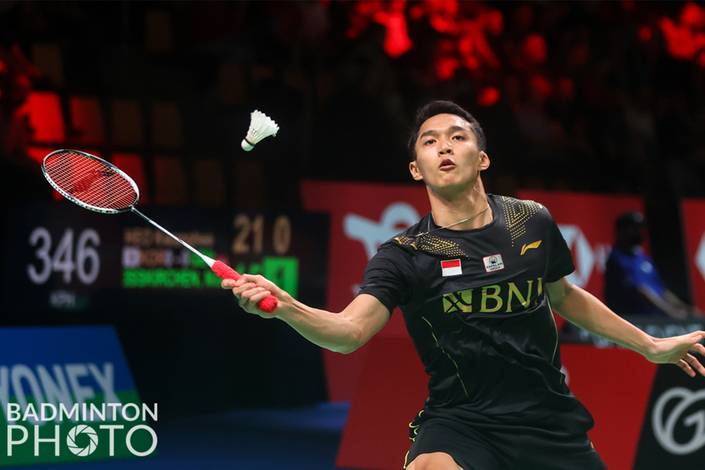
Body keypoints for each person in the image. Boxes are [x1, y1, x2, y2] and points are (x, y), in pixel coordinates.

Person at [221, 100, 705, 470]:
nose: (445, 146)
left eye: (457, 137)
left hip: (548, 419)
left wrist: (648, 345)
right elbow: (349, 332)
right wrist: (286, 306)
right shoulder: (405, 255)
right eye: (430, 141)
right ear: (417, 169)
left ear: (482, 158)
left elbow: (563, 296)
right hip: (461, 420)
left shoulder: (529, 222)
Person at [605, 211, 701, 319]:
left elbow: (662, 291)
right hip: (632, 320)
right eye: (634, 228)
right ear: (621, 231)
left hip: (655, 318)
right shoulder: (616, 259)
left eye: (641, 228)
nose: (639, 232)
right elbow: (641, 291)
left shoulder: (643, 257)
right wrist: (671, 312)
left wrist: (688, 309)